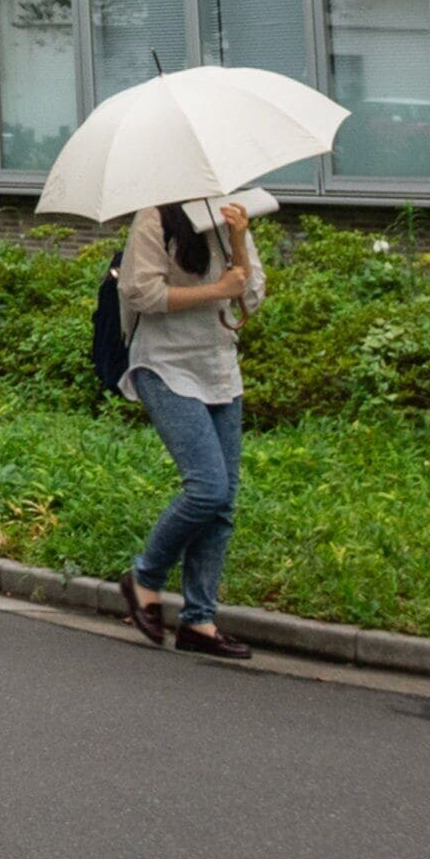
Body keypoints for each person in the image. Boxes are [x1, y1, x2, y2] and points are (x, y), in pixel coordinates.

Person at [114, 194, 263, 660]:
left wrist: (239, 239)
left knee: (222, 504)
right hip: (165, 366)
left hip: (219, 369)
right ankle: (144, 577)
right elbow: (140, 292)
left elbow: (251, 296)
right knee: (207, 489)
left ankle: (199, 620)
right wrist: (216, 290)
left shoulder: (228, 214)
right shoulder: (155, 216)